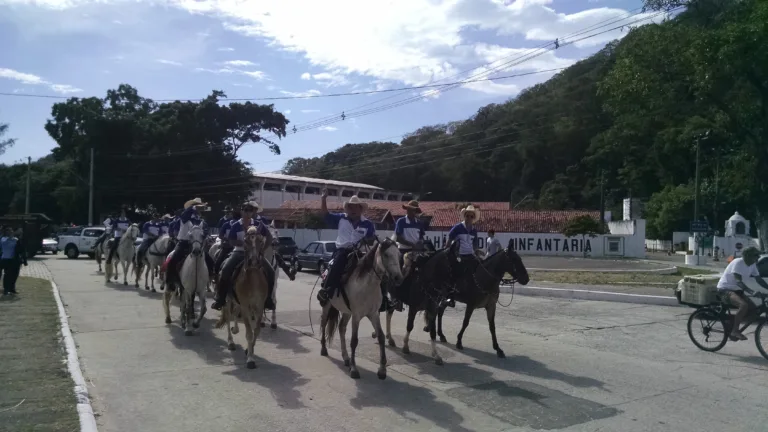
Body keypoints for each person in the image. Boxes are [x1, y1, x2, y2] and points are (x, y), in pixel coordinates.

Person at [316, 189, 376, 307]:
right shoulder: (340, 218)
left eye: (355, 207)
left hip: (360, 252)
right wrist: (323, 199)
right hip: (343, 250)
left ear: (360, 209)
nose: (353, 210)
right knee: (337, 264)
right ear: (347, 208)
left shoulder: (368, 224)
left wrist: (367, 240)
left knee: (378, 268)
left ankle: (382, 298)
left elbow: (372, 239)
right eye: (350, 207)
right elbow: (325, 215)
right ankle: (327, 290)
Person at [212, 202, 272, 311]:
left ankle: (268, 299)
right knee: (225, 270)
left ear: (253, 212)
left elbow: (269, 236)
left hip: (255, 253)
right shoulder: (236, 225)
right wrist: (241, 243)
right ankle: (220, 299)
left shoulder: (259, 224)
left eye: (250, 210)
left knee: (271, 271)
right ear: (241, 211)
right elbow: (231, 240)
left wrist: (262, 249)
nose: (247, 213)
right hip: (239, 253)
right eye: (245, 210)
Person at [716, 246, 768, 340]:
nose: (758, 257)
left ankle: (733, 324)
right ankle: (735, 330)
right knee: (743, 306)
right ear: (748, 256)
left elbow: (759, 279)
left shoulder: (752, 265)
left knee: (754, 311)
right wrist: (751, 292)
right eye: (756, 255)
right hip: (725, 289)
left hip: (737, 291)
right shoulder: (738, 262)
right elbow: (738, 281)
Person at [165, 198, 215, 291]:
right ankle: (170, 282)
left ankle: (211, 277)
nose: (200, 208)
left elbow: (204, 230)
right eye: (196, 205)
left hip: (196, 244)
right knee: (173, 260)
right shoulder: (185, 216)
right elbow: (185, 215)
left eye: (199, 205)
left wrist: (206, 236)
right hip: (184, 243)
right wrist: (195, 206)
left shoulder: (200, 219)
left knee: (210, 260)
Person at [444, 205, 482, 302]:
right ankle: (450, 295)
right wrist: (446, 253)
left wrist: (478, 251)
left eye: (471, 216)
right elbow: (449, 241)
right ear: (464, 216)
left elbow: (475, 245)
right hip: (459, 255)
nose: (469, 218)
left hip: (470, 255)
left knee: (480, 268)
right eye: (467, 216)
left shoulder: (474, 230)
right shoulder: (457, 227)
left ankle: (475, 292)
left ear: (473, 218)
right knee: (456, 272)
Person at [1, 227, 27, 296]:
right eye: (9, 231)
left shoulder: (15, 240)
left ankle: (12, 289)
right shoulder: (3, 239)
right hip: (5, 259)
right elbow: (5, 242)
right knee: (7, 275)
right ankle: (6, 290)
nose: (10, 232)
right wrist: (14, 234)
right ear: (6, 232)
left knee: (14, 275)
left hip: (13, 260)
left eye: (11, 231)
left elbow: (21, 248)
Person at [214, 206, 235, 277]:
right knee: (219, 259)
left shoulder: (237, 222)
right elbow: (220, 233)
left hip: (236, 245)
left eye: (230, 212)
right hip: (226, 243)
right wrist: (226, 239)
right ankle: (215, 273)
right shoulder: (223, 221)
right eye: (227, 212)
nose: (228, 214)